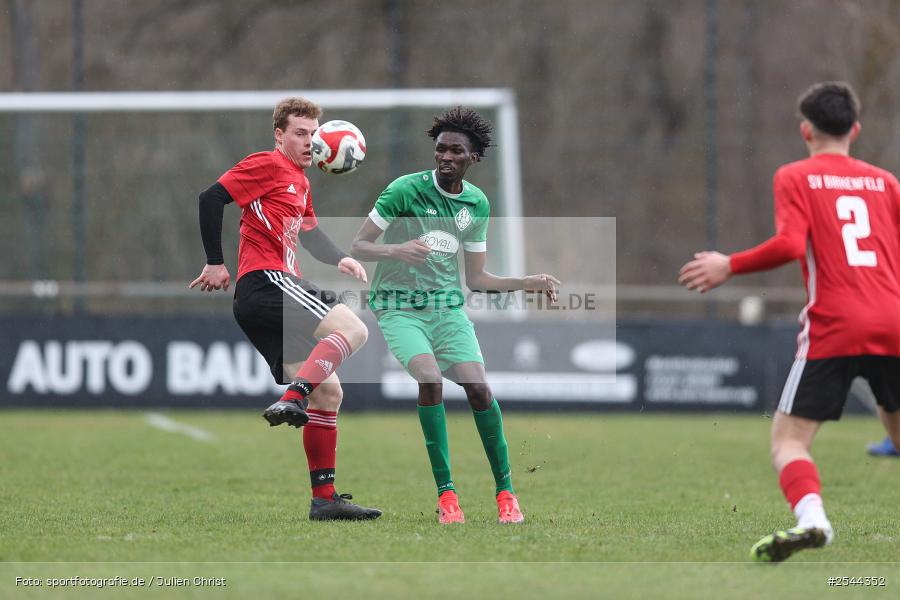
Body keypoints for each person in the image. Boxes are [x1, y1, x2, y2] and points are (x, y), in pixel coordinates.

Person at [679, 82, 900, 562]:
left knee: (789, 440)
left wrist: (728, 264)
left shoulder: (796, 176)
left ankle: (813, 518)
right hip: (893, 323)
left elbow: (787, 244)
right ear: (855, 130)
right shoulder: (886, 183)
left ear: (806, 131)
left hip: (836, 324)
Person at [351, 107, 560, 524]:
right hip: (398, 307)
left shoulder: (476, 203)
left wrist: (525, 282)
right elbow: (358, 246)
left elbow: (478, 279)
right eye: (440, 149)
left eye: (456, 151)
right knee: (429, 379)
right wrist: (396, 250)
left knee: (479, 390)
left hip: (447, 311)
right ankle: (448, 497)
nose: (445, 156)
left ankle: (506, 495)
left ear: (473, 158)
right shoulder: (404, 190)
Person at [190, 97, 381, 521]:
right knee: (356, 329)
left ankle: (324, 500)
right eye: (300, 133)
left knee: (329, 392)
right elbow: (209, 198)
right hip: (266, 282)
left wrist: (341, 260)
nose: (309, 142)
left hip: (262, 298)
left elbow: (310, 235)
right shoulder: (268, 165)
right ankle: (293, 395)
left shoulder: (300, 182)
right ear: (279, 135)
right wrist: (215, 262)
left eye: (314, 134)